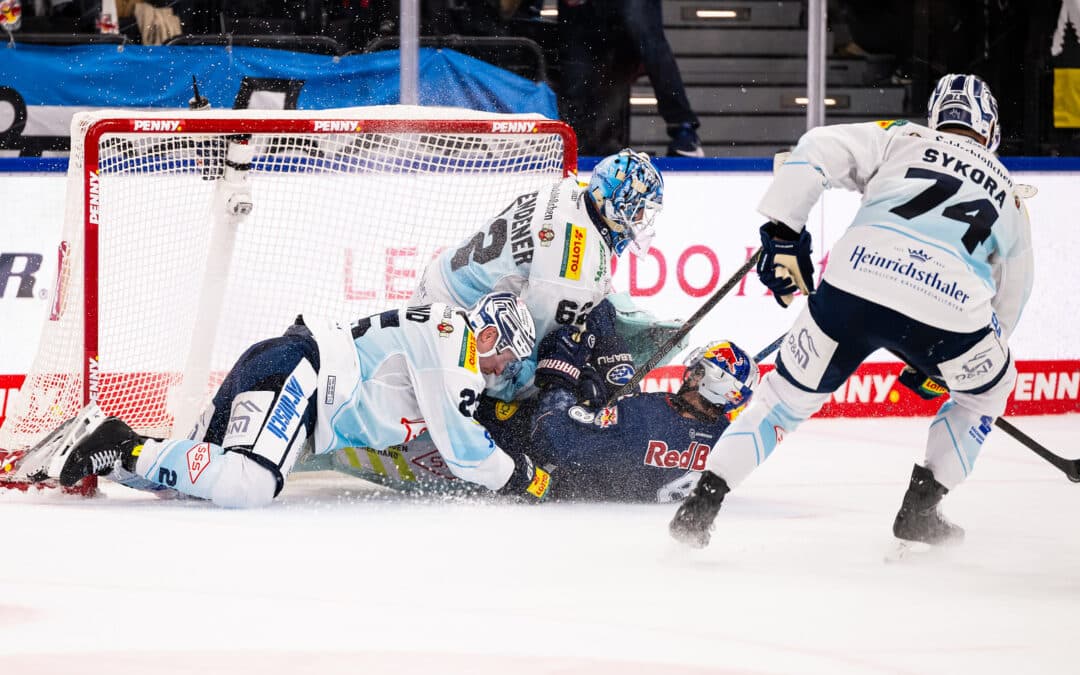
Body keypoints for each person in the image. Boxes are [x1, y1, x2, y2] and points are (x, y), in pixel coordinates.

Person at [669, 73, 1034, 548]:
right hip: (950, 313)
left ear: (936, 116)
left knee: (781, 402)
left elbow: (816, 147)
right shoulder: (1009, 191)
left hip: (854, 283)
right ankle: (921, 510)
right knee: (984, 396)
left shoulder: (903, 137)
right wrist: (956, 368)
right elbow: (1014, 296)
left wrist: (785, 232)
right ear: (991, 130)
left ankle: (703, 504)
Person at [41, 292, 554, 506]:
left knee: (190, 484)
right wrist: (529, 479)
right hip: (301, 375)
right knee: (251, 484)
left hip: (284, 362)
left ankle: (95, 445)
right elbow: (465, 450)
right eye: (507, 358)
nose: (504, 371)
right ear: (489, 336)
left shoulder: (442, 328)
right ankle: (123, 444)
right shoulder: (457, 350)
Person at [411, 148, 665, 401]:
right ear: (616, 204)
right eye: (640, 209)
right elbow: (535, 348)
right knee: (555, 382)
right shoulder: (572, 276)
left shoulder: (568, 190)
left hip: (442, 280)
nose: (641, 219)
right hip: (455, 324)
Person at [557, 0, 704, 157]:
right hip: (583, 13)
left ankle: (683, 128)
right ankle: (581, 137)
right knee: (577, 66)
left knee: (647, 36)